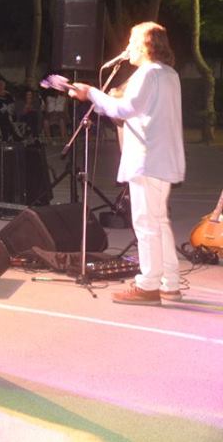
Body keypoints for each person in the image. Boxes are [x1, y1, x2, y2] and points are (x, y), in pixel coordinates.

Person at [68, 22, 185, 305]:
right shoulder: (167, 73)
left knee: (146, 223)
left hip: (148, 159)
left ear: (146, 45)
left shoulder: (148, 73)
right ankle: (169, 282)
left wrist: (91, 93)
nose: (127, 47)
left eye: (132, 41)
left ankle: (148, 285)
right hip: (161, 158)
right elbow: (135, 110)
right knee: (158, 221)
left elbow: (125, 109)